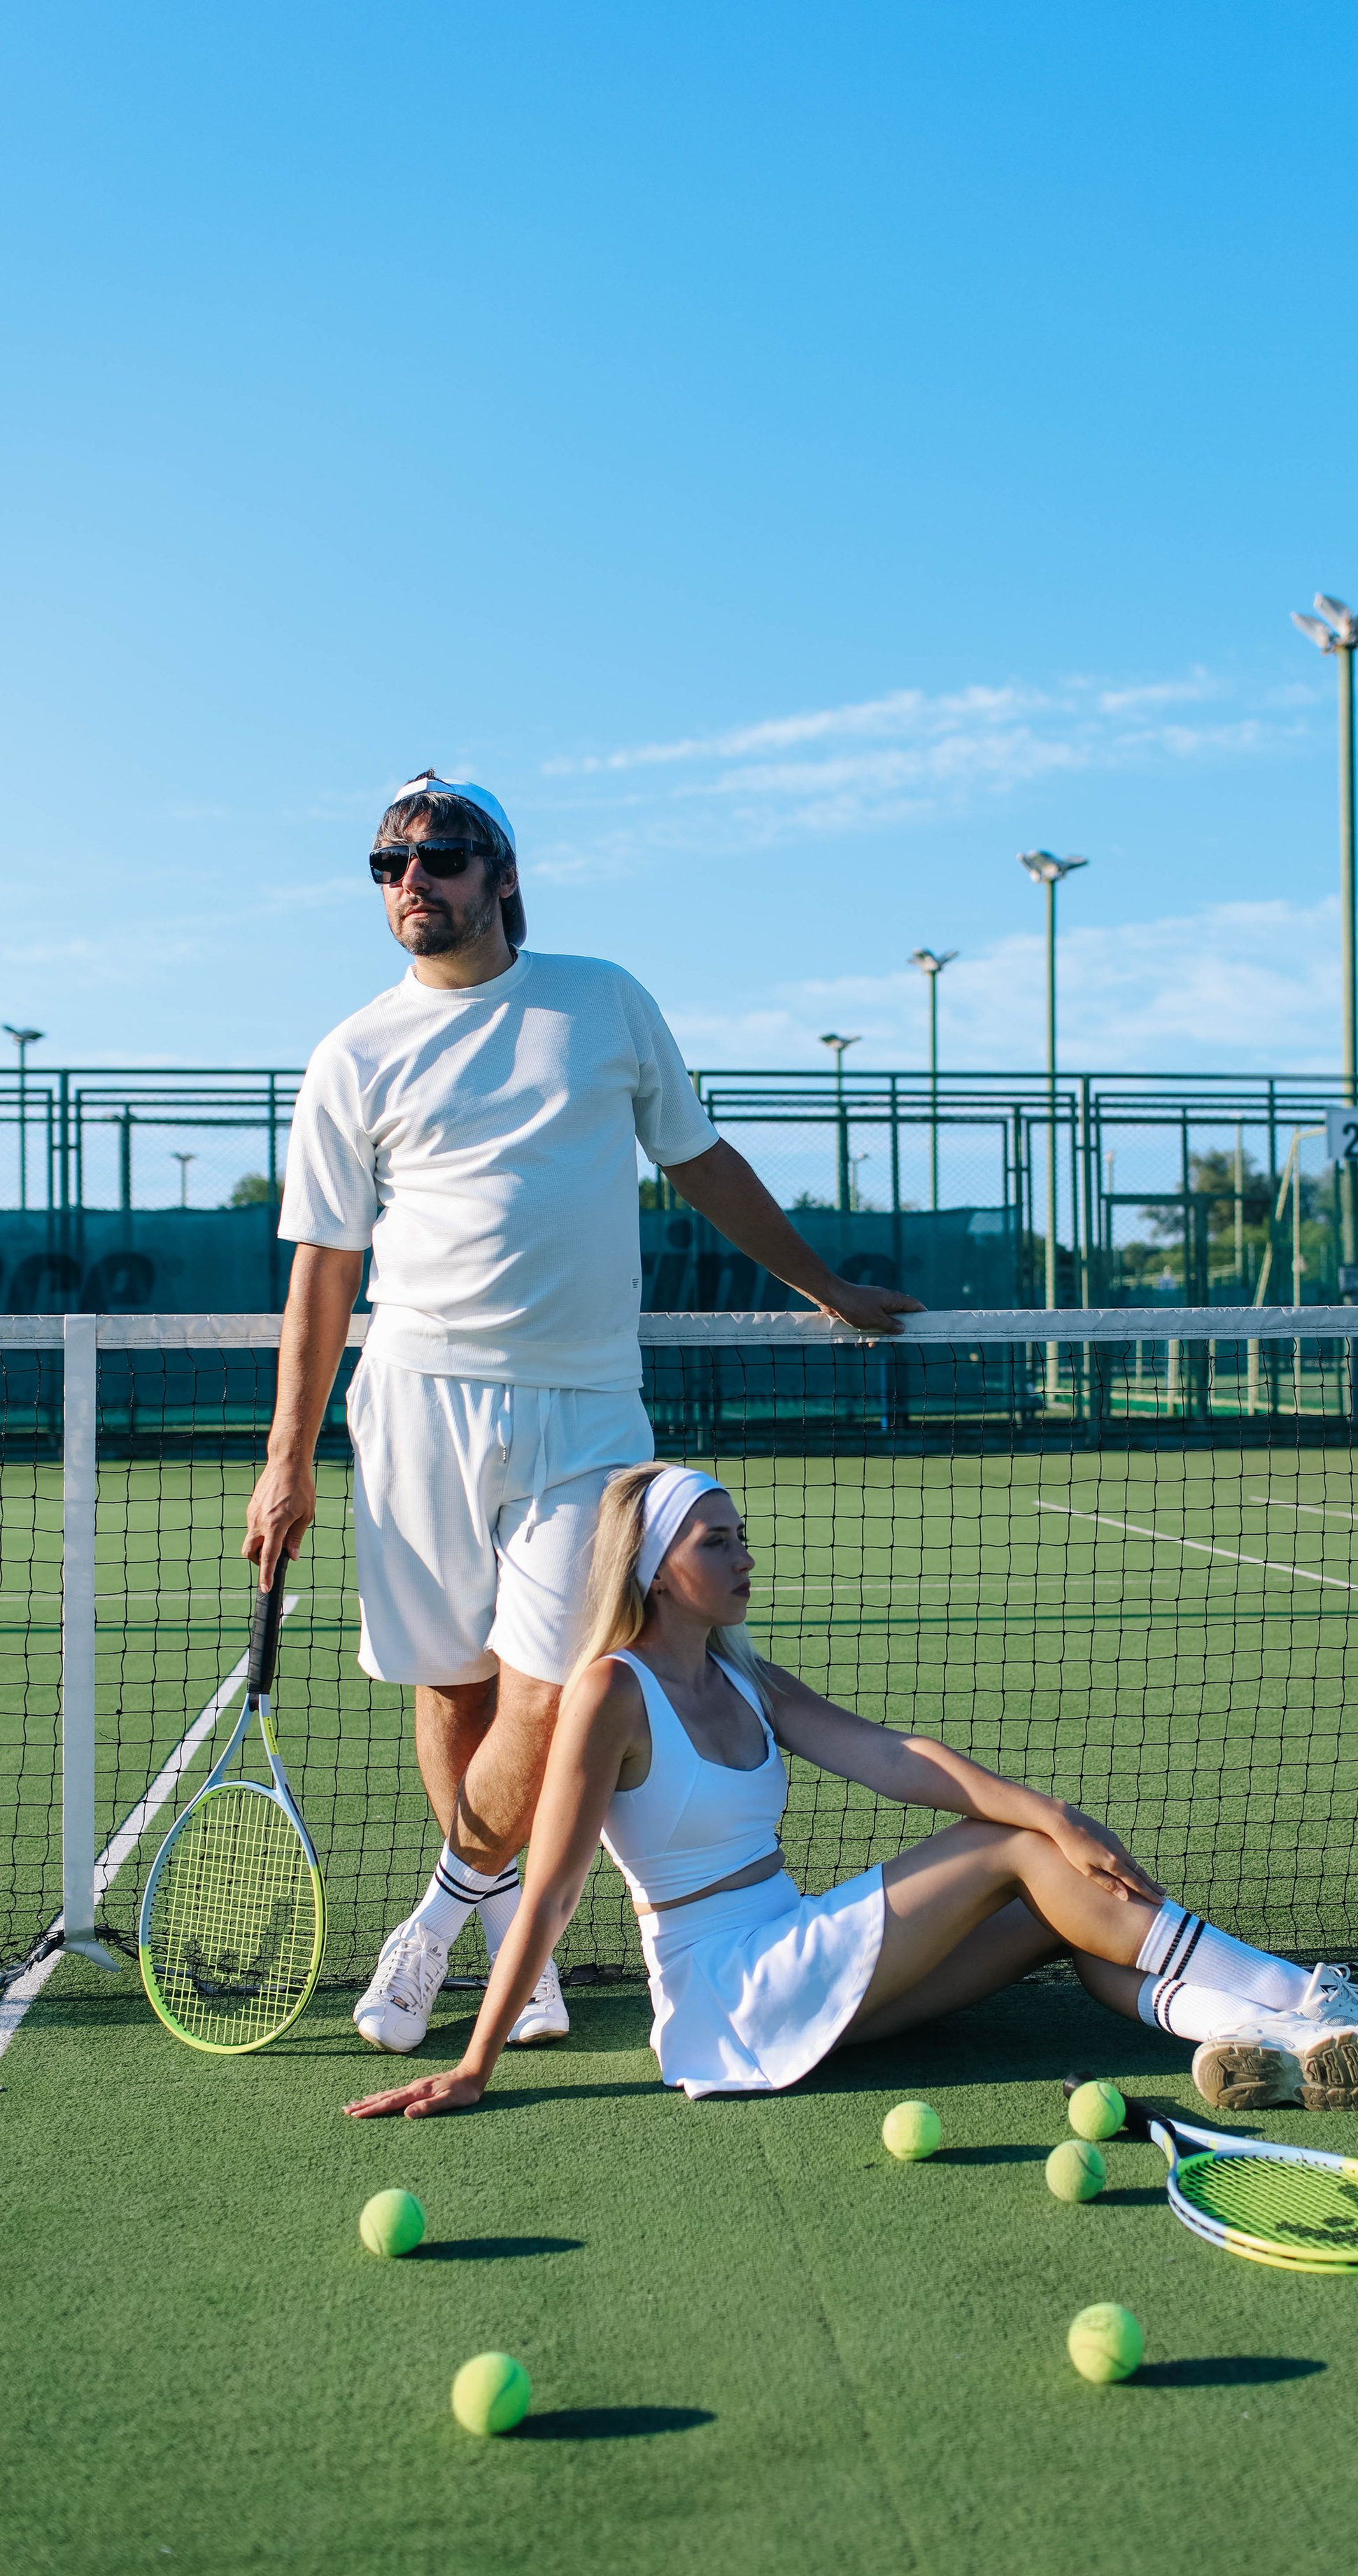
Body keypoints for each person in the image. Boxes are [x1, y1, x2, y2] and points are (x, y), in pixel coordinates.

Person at [244, 773, 917, 2057]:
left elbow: (699, 1157)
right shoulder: (352, 1054)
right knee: (454, 1689)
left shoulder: (604, 1000)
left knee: (556, 1695)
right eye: (388, 863)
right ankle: (523, 1952)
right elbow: (325, 1265)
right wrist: (289, 1458)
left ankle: (438, 1923)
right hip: (417, 1403)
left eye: (441, 854)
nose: (412, 880)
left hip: (592, 1410)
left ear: (501, 874)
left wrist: (822, 1283)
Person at [344, 1463, 1358, 2125]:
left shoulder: (743, 1673)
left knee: (1052, 1907)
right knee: (1012, 1849)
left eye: (742, 1537)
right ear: (652, 1566)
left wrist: (1050, 1808)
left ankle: (1266, 2041)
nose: (743, 1556)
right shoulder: (608, 1692)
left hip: (791, 1963)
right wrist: (476, 2063)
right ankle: (1314, 1999)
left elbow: (893, 1755)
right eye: (716, 1541)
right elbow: (549, 1889)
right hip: (729, 1987)